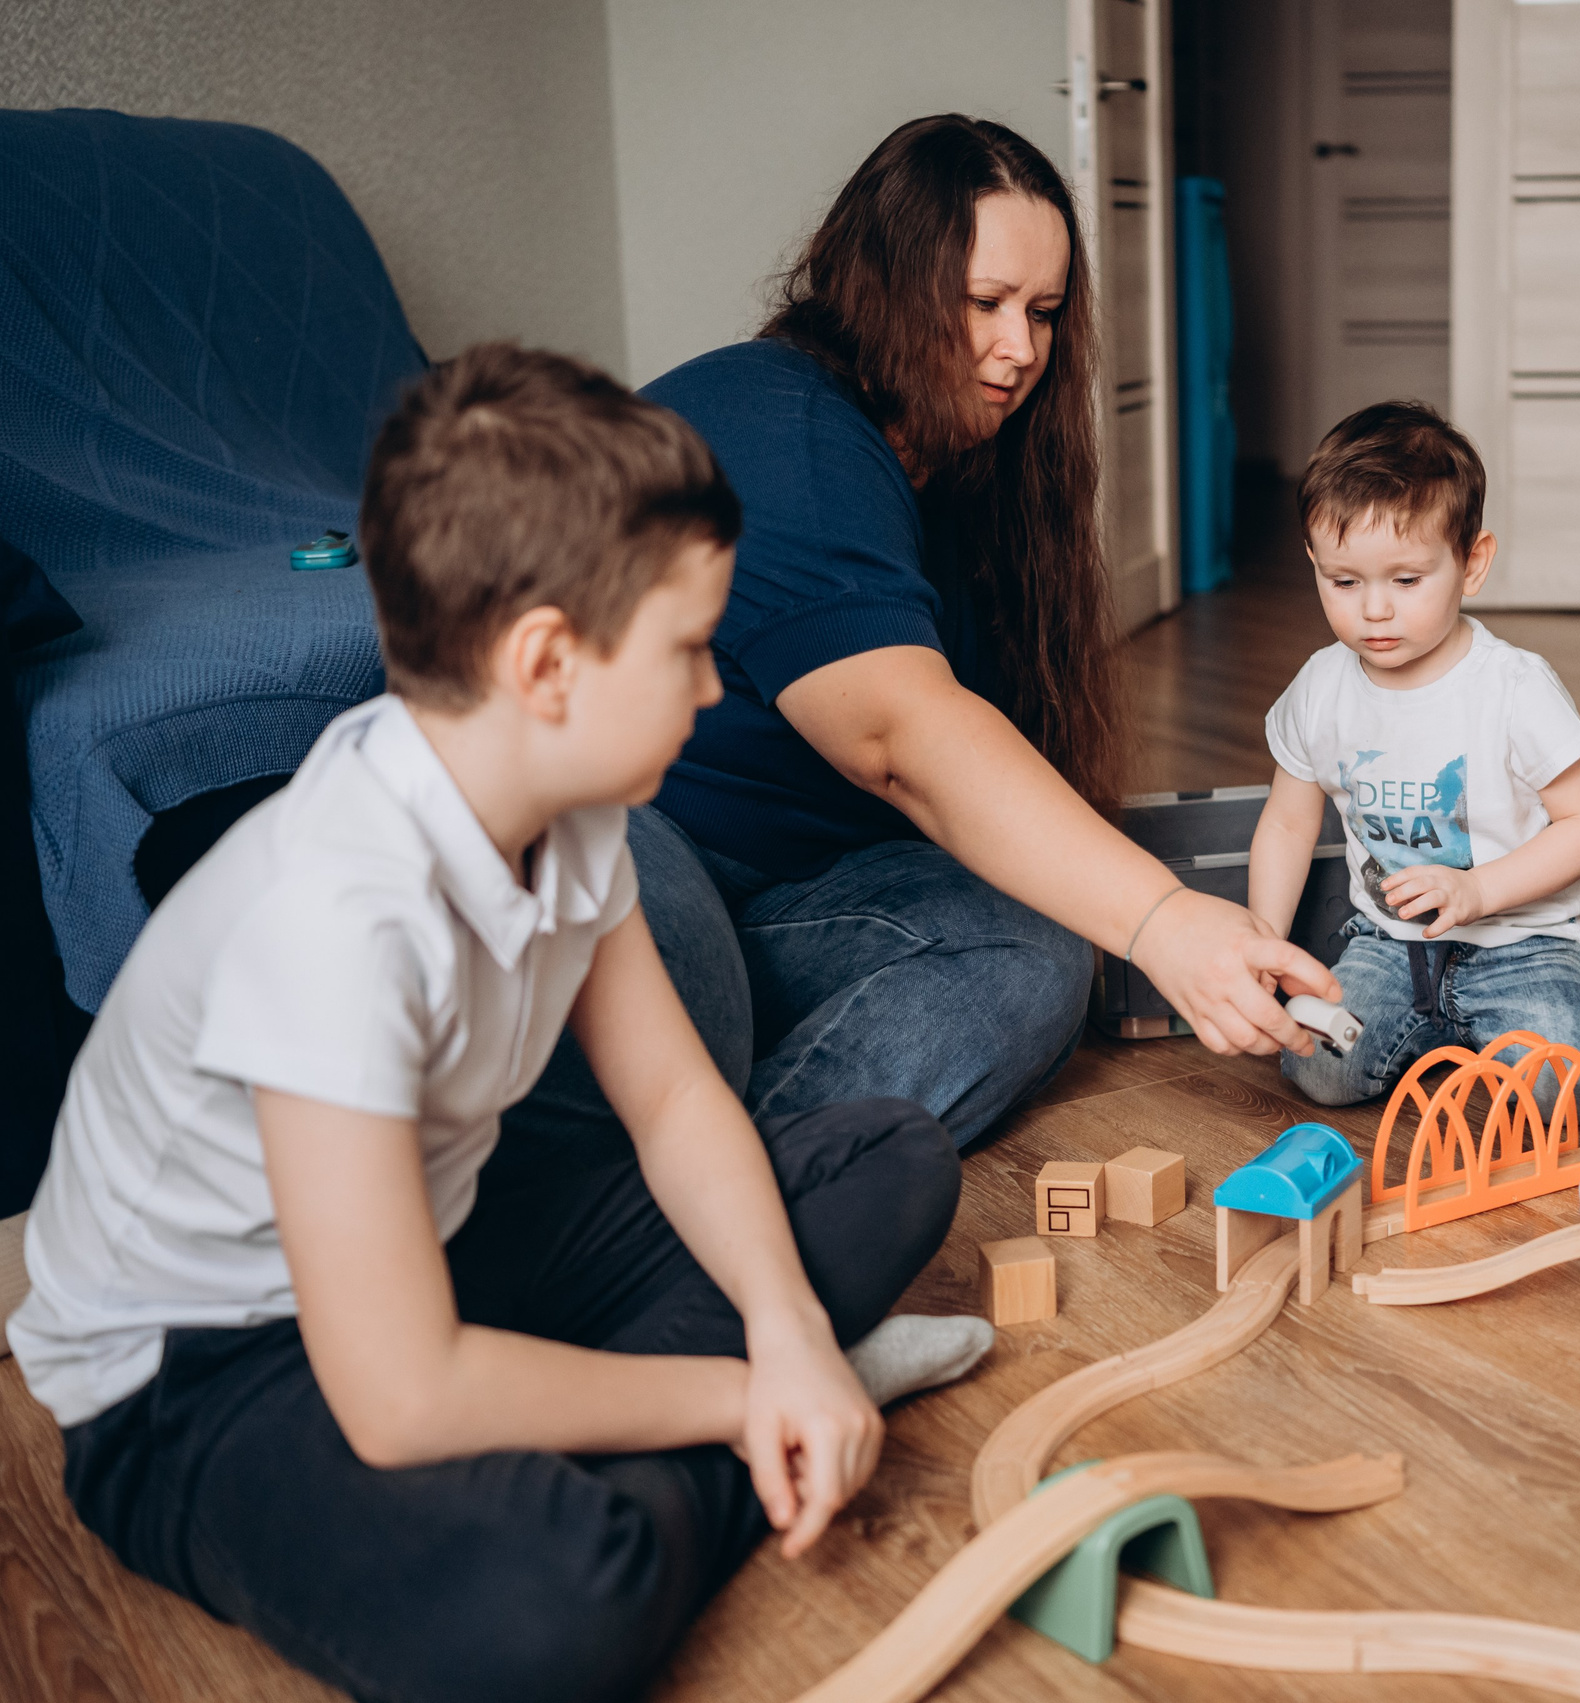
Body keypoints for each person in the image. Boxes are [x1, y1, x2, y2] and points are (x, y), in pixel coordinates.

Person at [6, 345, 990, 1703]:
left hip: (438, 1245)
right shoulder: (335, 916)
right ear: (545, 662)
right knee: (553, 1609)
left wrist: (784, 1327)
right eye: (690, 648)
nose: (712, 690)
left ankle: (657, 1412)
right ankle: (723, 1439)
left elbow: (674, 1099)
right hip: (203, 1373)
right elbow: (401, 1393)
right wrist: (749, 1387)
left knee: (885, 1155)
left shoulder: (573, 808)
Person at [503, 115, 1336, 1175]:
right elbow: (900, 736)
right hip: (621, 832)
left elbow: (979, 771)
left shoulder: (965, 467)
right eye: (983, 304)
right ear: (884, 286)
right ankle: (694, 1218)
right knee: (691, 996)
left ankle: (733, 1196)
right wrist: (1162, 920)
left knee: (1032, 950)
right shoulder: (791, 432)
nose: (1021, 349)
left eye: (1041, 312)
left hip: (791, 885)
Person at [1249, 402, 1580, 1110]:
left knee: (1561, 1087)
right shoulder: (1320, 687)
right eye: (1344, 581)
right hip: (1390, 944)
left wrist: (1478, 891)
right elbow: (1287, 824)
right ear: (1314, 563)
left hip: (1521, 943)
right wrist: (1264, 942)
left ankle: (1568, 1025)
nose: (1374, 610)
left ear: (1471, 563)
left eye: (1406, 580)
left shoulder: (1513, 687)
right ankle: (1440, 1033)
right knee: (1316, 1068)